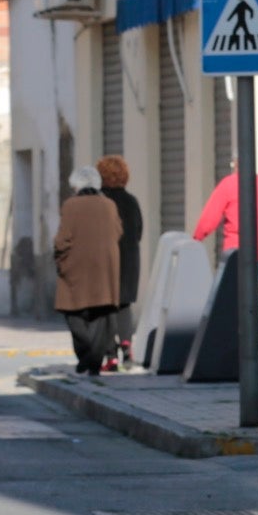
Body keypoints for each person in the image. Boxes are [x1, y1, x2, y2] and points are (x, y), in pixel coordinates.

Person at [54, 165, 123, 376]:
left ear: (76, 185)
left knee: (73, 313)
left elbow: (62, 239)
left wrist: (60, 260)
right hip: (105, 269)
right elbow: (119, 231)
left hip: (76, 268)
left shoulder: (70, 205)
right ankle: (94, 361)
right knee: (101, 316)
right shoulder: (109, 205)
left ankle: (87, 354)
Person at [194, 159, 258, 280]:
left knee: (232, 293)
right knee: (252, 291)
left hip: (235, 251)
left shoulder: (228, 184)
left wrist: (197, 238)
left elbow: (209, 219)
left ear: (235, 165)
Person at [98, 154, 144, 371]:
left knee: (106, 307)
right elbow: (138, 231)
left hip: (106, 260)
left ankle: (110, 355)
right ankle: (127, 347)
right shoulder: (131, 201)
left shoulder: (99, 201)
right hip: (129, 260)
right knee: (124, 305)